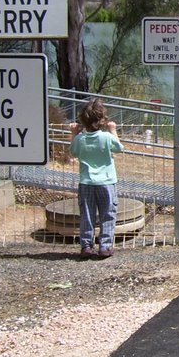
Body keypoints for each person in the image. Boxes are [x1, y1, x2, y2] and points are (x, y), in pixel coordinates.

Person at [69, 99, 124, 259]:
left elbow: (73, 152)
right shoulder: (106, 137)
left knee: (87, 214)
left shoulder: (80, 139)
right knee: (108, 213)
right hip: (106, 182)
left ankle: (86, 245)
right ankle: (105, 246)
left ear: (82, 121)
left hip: (86, 182)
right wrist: (113, 130)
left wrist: (73, 133)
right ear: (102, 120)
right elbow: (119, 148)